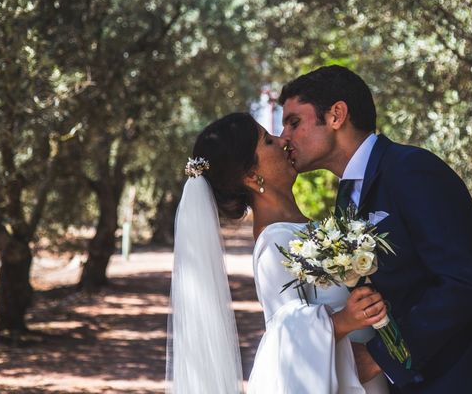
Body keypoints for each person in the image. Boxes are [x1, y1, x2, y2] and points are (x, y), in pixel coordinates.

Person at [279, 65, 472, 394]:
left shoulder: (413, 170)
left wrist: (383, 357)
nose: (284, 138)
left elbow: (463, 281)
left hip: (455, 379)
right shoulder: (348, 195)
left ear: (336, 115)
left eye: (294, 122)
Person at [166, 112, 390, 393]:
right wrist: (346, 320)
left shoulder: (302, 230)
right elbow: (287, 334)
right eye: (268, 141)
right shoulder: (274, 244)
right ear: (251, 175)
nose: (284, 139)